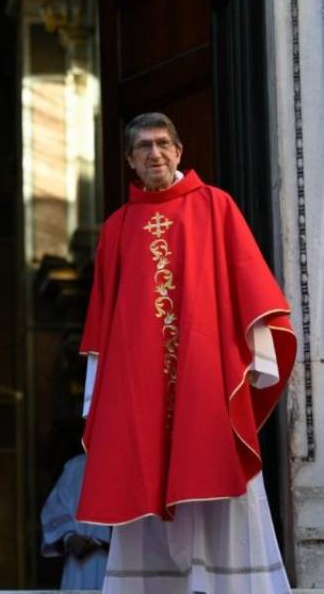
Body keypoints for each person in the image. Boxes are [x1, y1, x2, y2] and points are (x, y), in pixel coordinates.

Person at [78, 112, 296, 593]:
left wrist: (255, 359)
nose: (154, 153)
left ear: (179, 151)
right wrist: (98, 393)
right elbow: (104, 319)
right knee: (144, 474)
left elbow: (248, 280)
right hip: (142, 386)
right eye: (143, 147)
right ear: (130, 160)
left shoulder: (216, 206)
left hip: (207, 376)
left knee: (214, 467)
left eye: (162, 144)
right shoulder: (117, 227)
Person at [40, 453, 109, 590]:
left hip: (117, 561)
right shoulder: (75, 466)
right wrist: (69, 536)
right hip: (79, 566)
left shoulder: (130, 464)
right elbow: (54, 509)